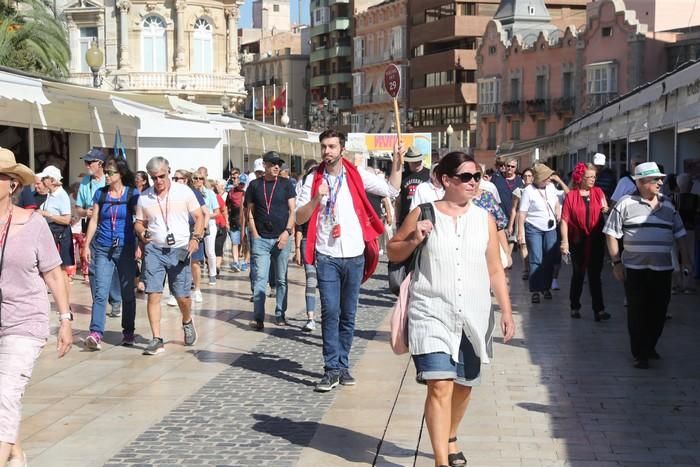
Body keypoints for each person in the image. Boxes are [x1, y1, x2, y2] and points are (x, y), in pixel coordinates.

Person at [387, 151, 515, 467]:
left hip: (474, 313)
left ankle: (451, 434)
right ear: (447, 180)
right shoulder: (423, 212)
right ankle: (440, 461)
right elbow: (393, 251)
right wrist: (414, 239)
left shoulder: (484, 219)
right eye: (466, 177)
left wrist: (507, 312)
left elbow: (495, 269)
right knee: (440, 385)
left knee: (464, 386)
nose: (474, 183)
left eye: (477, 176)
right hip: (430, 311)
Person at [296, 130, 401, 392]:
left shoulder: (356, 175)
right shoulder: (312, 179)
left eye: (332, 146)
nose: (327, 151)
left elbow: (391, 190)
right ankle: (331, 368)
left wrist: (397, 164)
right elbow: (299, 217)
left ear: (342, 149)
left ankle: (343, 365)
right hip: (326, 254)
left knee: (348, 314)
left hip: (354, 254)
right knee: (330, 311)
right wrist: (316, 198)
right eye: (323, 147)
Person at [0, 148, 73, 467]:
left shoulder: (32, 224)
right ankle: (15, 454)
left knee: (4, 394)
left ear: (12, 184)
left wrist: (66, 319)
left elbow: (54, 274)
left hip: (24, 322)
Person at [603, 162, 690, 369]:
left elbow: (680, 235)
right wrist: (616, 263)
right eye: (655, 179)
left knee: (659, 311)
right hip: (634, 269)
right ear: (641, 182)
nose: (661, 182)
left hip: (662, 269)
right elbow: (611, 234)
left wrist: (686, 261)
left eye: (661, 179)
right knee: (637, 311)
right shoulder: (625, 203)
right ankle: (640, 352)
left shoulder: (668, 205)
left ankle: (650, 345)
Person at [134, 157, 205, 355]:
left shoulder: (184, 192)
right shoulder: (145, 197)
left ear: (168, 172)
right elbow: (139, 222)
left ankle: (187, 320)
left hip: (180, 249)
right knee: (153, 293)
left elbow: (199, 217)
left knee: (181, 295)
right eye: (154, 177)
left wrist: (196, 238)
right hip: (155, 249)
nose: (158, 181)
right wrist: (141, 232)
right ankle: (156, 338)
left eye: (162, 176)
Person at [82, 157, 139, 350]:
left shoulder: (133, 194)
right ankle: (95, 333)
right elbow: (94, 220)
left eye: (110, 172)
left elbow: (139, 221)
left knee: (127, 293)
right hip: (103, 248)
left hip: (126, 248)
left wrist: (141, 245)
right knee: (100, 292)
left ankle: (128, 332)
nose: (106, 175)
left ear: (120, 174)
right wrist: (85, 245)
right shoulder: (100, 194)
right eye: (106, 172)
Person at [246, 151, 296, 328]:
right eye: (273, 163)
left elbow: (293, 210)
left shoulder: (286, 184)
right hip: (261, 239)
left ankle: (280, 314)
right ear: (265, 165)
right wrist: (254, 233)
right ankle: (258, 318)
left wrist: (287, 232)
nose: (277, 167)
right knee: (260, 278)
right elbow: (249, 211)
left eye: (279, 164)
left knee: (281, 279)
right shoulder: (254, 185)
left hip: (282, 237)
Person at [75, 148, 122, 317]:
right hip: (92, 228)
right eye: (85, 162)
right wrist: (84, 212)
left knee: (112, 267)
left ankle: (115, 300)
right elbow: (78, 207)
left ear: (100, 164)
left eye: (90, 162)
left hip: (110, 227)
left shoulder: (110, 180)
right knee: (93, 267)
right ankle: (98, 301)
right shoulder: (85, 182)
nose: (86, 165)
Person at [560, 163, 611, 321]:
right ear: (580, 178)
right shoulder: (571, 196)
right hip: (578, 240)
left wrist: (606, 210)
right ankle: (575, 306)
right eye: (589, 177)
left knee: (595, 275)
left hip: (596, 239)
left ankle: (599, 310)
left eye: (594, 177)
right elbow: (564, 220)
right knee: (578, 274)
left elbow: (605, 207)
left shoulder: (598, 192)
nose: (592, 180)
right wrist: (565, 242)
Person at [517, 163, 561, 304]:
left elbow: (556, 203)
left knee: (549, 259)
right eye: (548, 176)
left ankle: (546, 287)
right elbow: (522, 212)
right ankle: (535, 290)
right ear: (540, 178)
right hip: (533, 227)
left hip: (550, 228)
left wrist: (558, 212)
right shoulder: (529, 191)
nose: (550, 178)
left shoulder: (552, 187)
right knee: (536, 258)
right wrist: (520, 232)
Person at [36, 165, 74, 299]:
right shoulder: (50, 195)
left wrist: (47, 214)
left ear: (52, 180)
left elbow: (66, 219)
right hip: (51, 232)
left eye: (45, 178)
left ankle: (66, 303)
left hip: (60, 234)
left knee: (62, 271)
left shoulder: (61, 195)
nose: (43, 181)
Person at [172, 169, 208, 305]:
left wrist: (201, 231)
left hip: (193, 231)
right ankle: (176, 293)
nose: (174, 181)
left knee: (194, 262)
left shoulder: (194, 193)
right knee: (178, 262)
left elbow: (205, 213)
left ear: (185, 180)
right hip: (178, 233)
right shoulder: (171, 193)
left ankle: (197, 290)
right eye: (174, 178)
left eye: (178, 178)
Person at [295, 161, 320, 332]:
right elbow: (299, 224)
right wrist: (297, 249)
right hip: (308, 242)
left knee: (325, 282)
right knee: (311, 280)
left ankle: (328, 315)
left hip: (325, 243)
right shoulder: (305, 200)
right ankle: (310, 317)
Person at [507, 167, 534, 280]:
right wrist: (510, 225)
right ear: (522, 178)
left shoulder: (537, 190)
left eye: (529, 176)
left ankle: (534, 267)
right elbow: (514, 209)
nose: (527, 178)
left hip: (533, 219)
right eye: (525, 176)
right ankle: (526, 269)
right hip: (520, 219)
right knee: (523, 244)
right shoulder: (518, 191)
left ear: (533, 177)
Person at [395, 147, 430, 228]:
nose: (417, 163)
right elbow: (398, 201)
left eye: (419, 161)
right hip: (406, 219)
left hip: (424, 218)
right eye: (414, 162)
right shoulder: (402, 176)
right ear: (409, 162)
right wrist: (397, 221)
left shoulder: (429, 174)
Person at [195, 167, 219, 285]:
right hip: (194, 224)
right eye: (196, 178)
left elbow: (217, 212)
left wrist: (206, 215)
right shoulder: (191, 193)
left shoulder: (210, 193)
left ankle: (212, 274)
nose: (198, 180)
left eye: (201, 178)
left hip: (209, 224)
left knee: (210, 250)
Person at [493, 157, 523, 229]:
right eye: (508, 166)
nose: (510, 168)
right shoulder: (496, 178)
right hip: (500, 217)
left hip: (515, 218)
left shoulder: (520, 181)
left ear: (516, 168)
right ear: (505, 166)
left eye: (512, 166)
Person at [226, 169, 245, 272]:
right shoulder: (230, 192)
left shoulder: (246, 192)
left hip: (244, 221)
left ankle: (245, 261)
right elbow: (227, 206)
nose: (235, 180)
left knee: (244, 242)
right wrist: (227, 220)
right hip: (234, 220)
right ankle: (236, 262)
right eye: (233, 178)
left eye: (237, 178)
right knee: (235, 242)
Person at [213, 180, 228, 275]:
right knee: (213, 247)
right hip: (210, 225)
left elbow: (224, 209)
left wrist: (226, 222)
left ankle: (217, 266)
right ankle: (214, 265)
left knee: (218, 246)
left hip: (220, 225)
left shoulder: (217, 197)